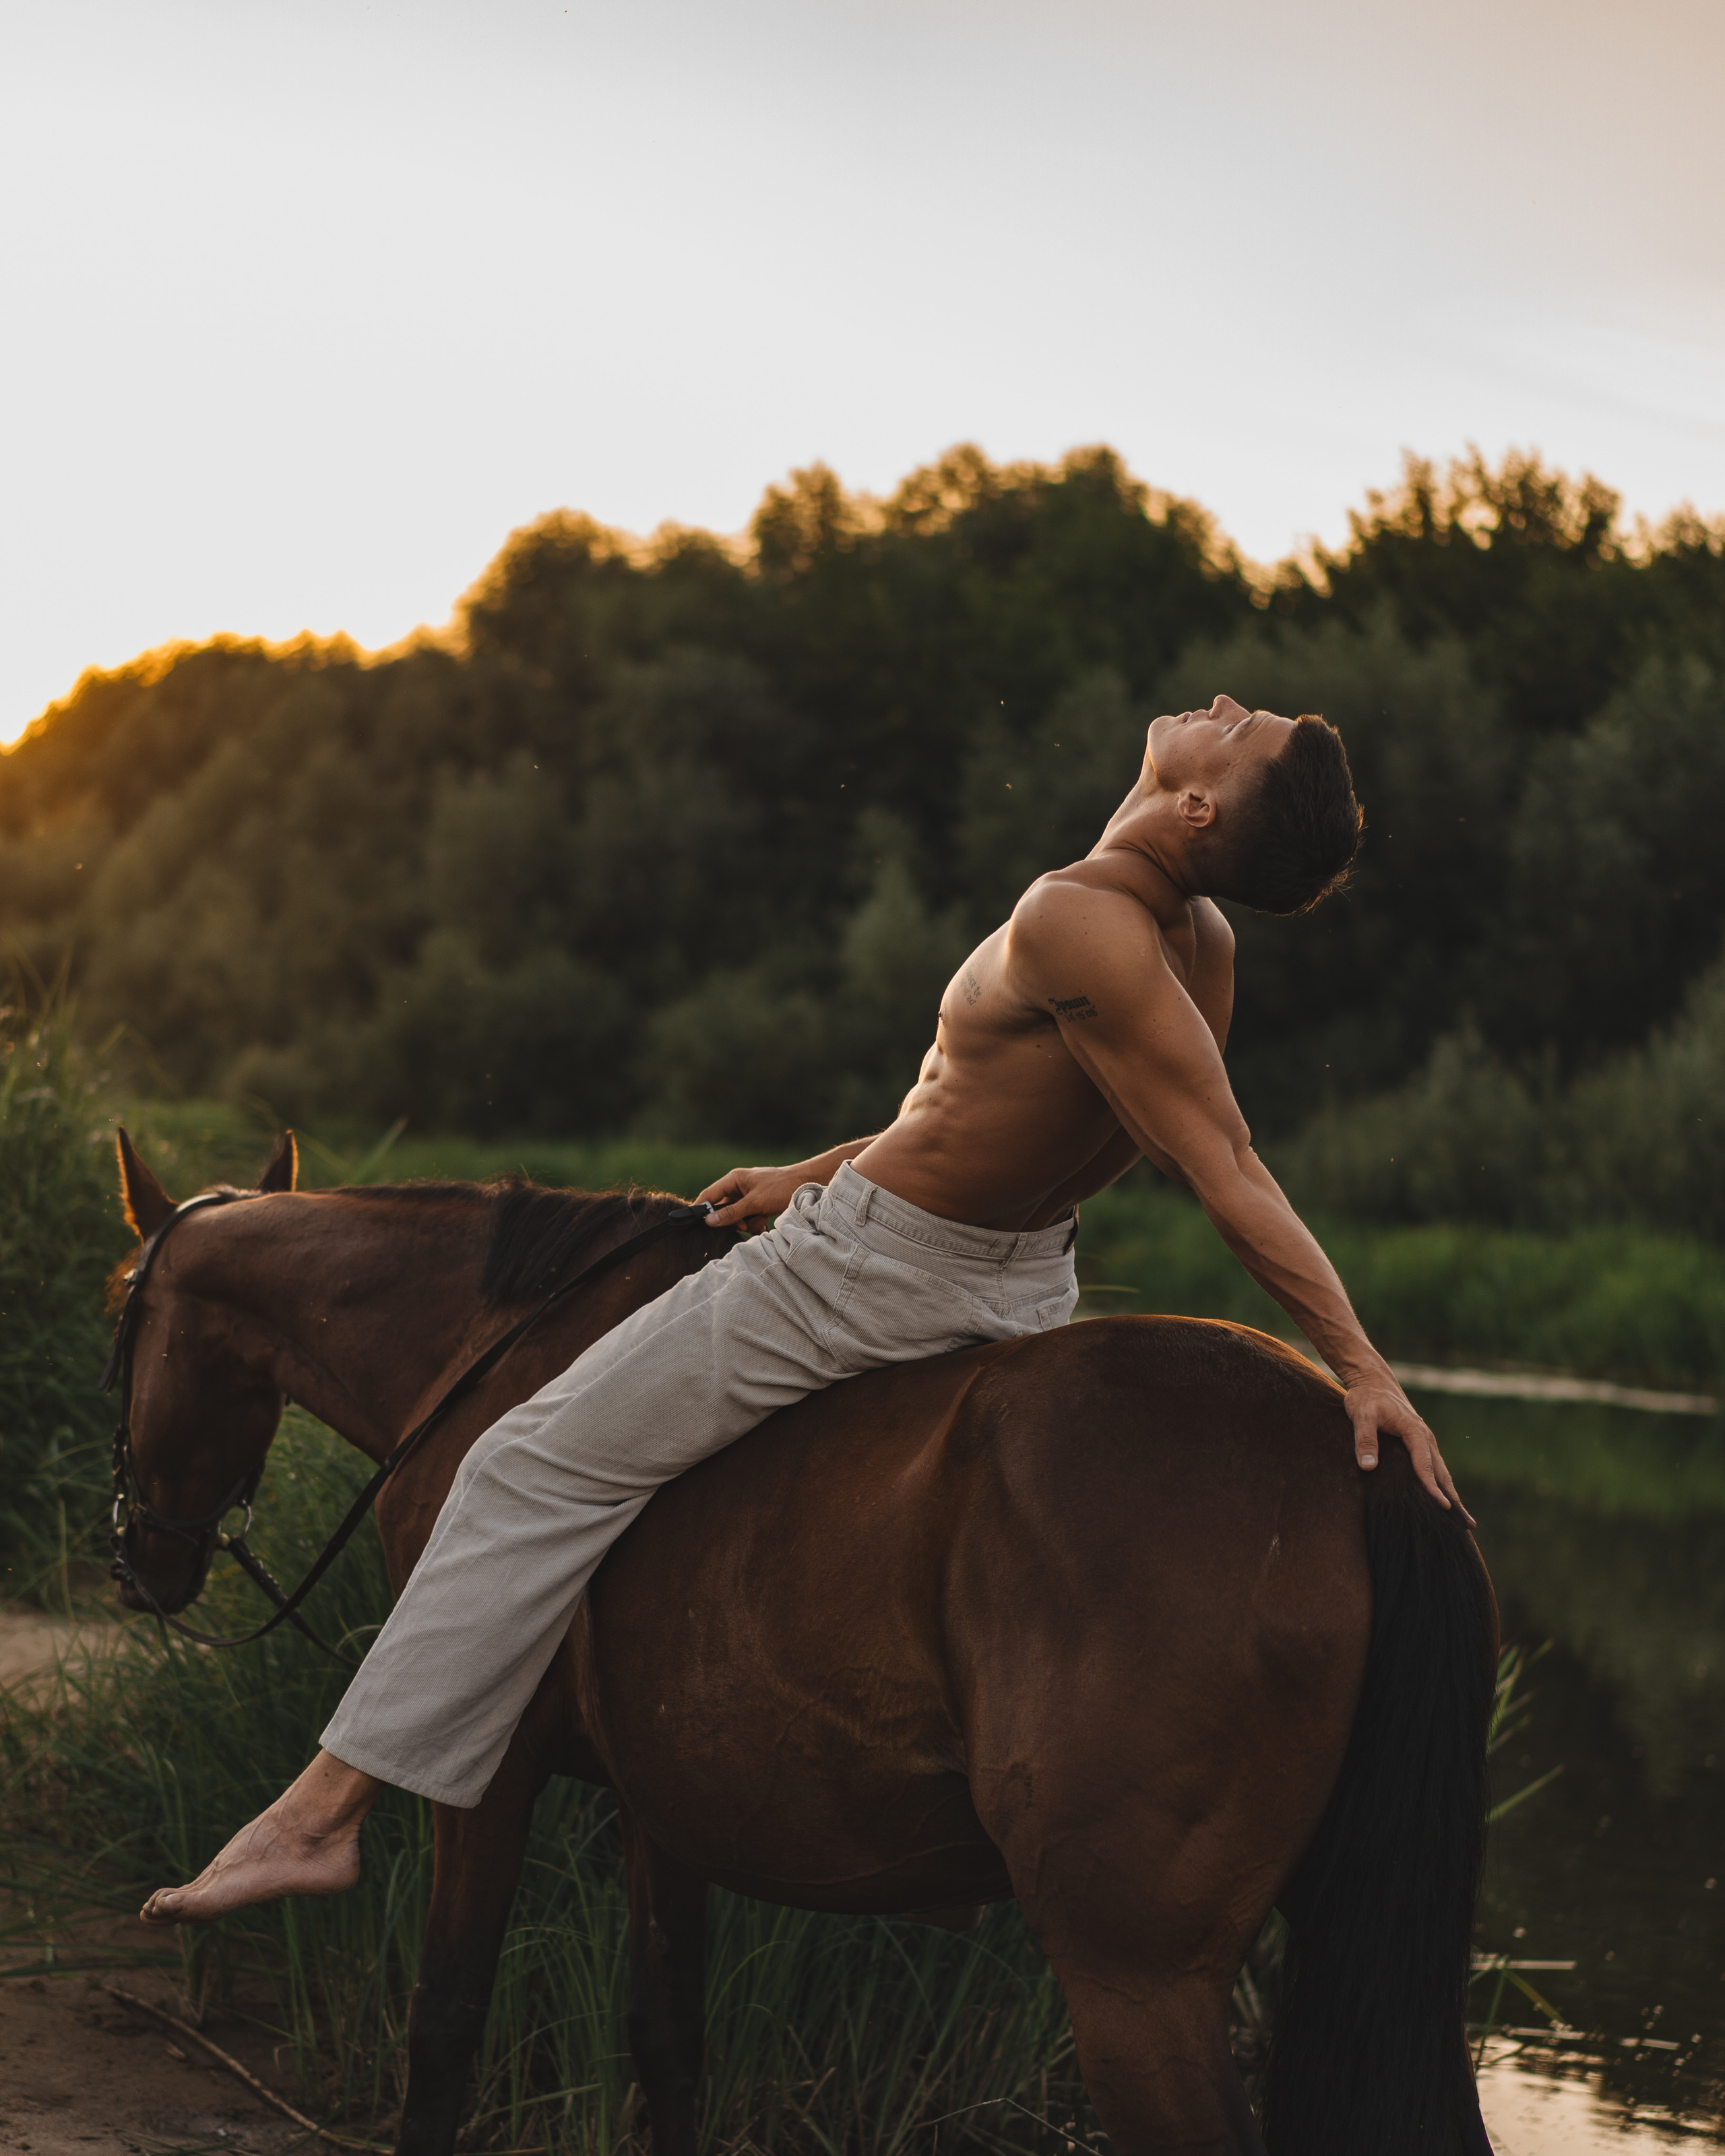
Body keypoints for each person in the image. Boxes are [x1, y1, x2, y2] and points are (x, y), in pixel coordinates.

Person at [141, 694, 1466, 1927]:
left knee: (520, 1464)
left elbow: (1220, 1164)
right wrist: (806, 1174)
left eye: (1243, 732)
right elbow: (984, 1113)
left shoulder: (1077, 917)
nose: (1223, 706)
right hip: (1010, 1273)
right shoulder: (1194, 941)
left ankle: (320, 1814)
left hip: (870, 1277)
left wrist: (1357, 1365)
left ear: (1194, 810)